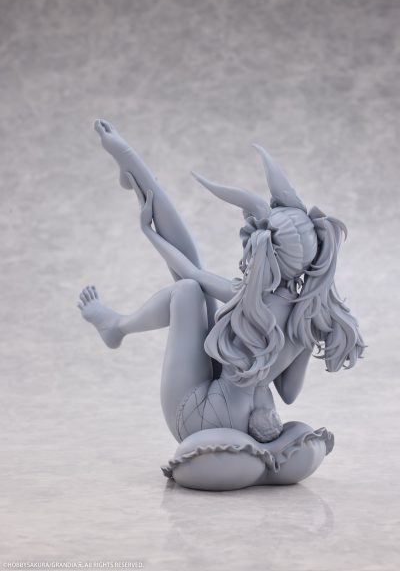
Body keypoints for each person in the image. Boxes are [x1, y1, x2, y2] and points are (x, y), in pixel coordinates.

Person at [78, 120, 365, 490]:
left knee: (187, 291)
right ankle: (133, 171)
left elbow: (188, 270)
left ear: (265, 252)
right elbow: (289, 394)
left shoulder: (251, 297)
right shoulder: (306, 320)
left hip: (199, 415)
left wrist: (148, 231)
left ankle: (117, 325)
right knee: (202, 298)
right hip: (255, 419)